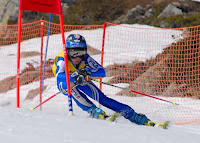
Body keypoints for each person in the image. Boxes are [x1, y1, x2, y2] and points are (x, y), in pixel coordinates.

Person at [52, 34, 158, 127]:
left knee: (101, 98)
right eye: (74, 53)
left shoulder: (85, 58)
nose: (77, 57)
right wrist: (75, 76)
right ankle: (92, 110)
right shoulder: (62, 59)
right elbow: (59, 76)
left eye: (81, 52)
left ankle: (133, 116)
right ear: (68, 51)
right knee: (70, 89)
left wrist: (86, 71)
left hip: (81, 77)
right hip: (65, 81)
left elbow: (102, 72)